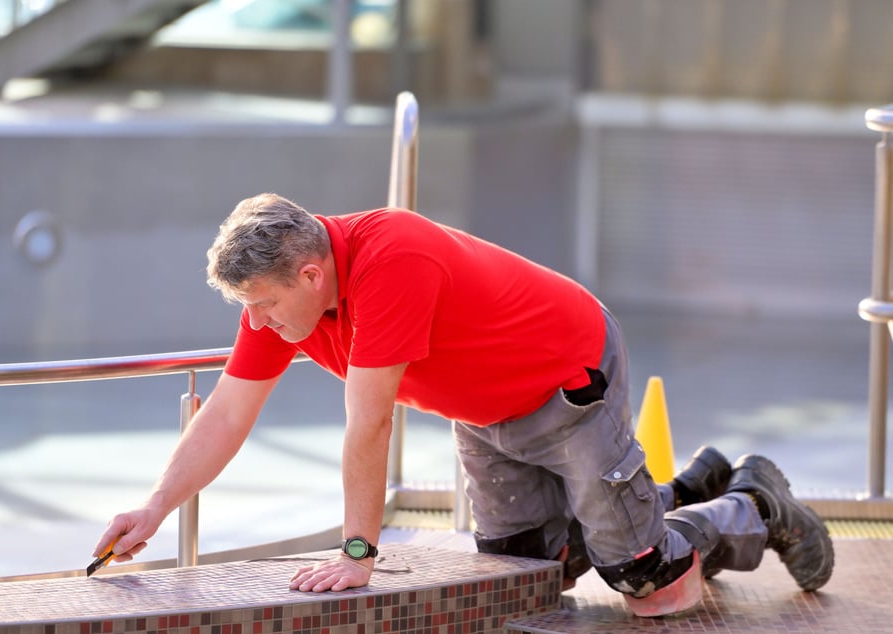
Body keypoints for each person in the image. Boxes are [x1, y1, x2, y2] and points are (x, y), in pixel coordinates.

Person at [93, 193, 834, 616]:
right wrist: (155, 507)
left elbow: (370, 422)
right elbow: (227, 413)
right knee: (522, 579)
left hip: (567, 382)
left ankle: (753, 504)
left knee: (647, 585)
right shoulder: (282, 304)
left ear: (312, 272)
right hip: (485, 413)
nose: (254, 323)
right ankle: (685, 484)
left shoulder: (390, 262)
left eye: (261, 304)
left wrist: (358, 552)